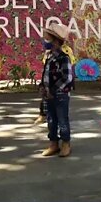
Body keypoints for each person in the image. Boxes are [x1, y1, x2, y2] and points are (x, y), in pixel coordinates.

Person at [40, 23, 74, 157]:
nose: (45, 41)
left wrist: (53, 90)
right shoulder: (49, 57)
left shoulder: (63, 58)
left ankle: (66, 143)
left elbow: (67, 78)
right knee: (51, 120)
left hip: (60, 95)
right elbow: (46, 74)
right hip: (49, 96)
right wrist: (42, 87)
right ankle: (53, 143)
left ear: (55, 41)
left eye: (47, 38)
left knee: (62, 119)